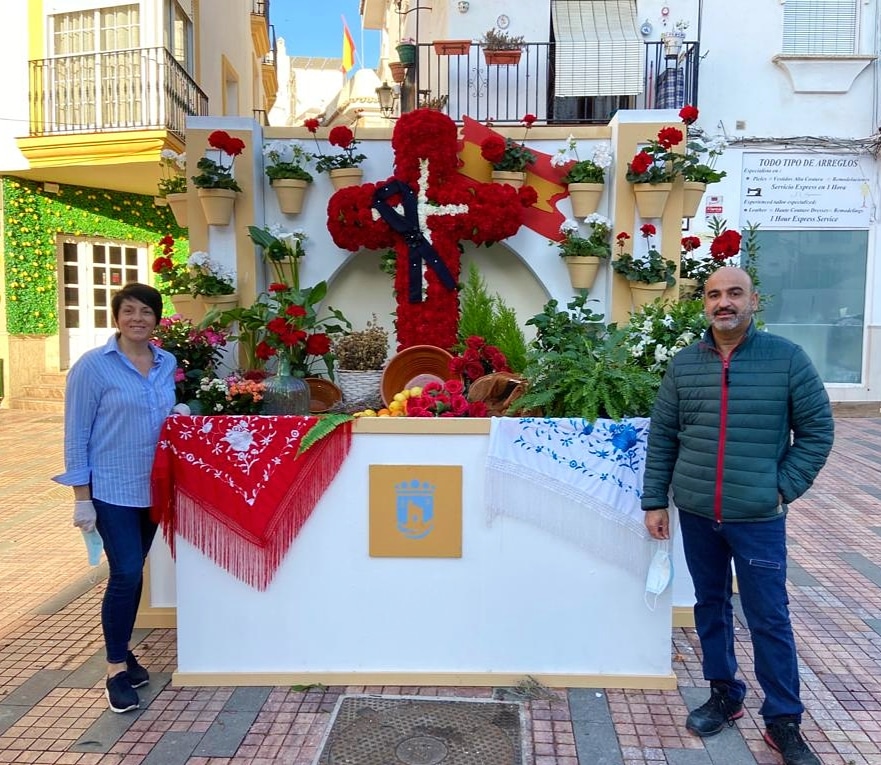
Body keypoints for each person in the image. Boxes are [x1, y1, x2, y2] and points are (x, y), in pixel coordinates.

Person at [641, 267, 833, 765]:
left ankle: (783, 719)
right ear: (703, 303)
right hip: (700, 513)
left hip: (758, 518)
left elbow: (816, 432)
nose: (723, 302)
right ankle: (725, 693)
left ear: (753, 300)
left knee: (768, 616)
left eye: (734, 293)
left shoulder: (787, 360)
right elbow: (663, 436)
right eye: (713, 295)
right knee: (710, 606)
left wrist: (780, 488)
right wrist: (655, 499)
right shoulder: (685, 365)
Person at [54, 283, 176, 713]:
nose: (137, 318)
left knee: (134, 570)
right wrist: (80, 497)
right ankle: (114, 671)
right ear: (116, 317)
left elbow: (160, 416)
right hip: (111, 489)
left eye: (146, 311)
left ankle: (124, 652)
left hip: (153, 489)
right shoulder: (93, 367)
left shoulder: (166, 363)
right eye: (128, 311)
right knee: (125, 572)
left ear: (157, 318)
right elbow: (77, 435)